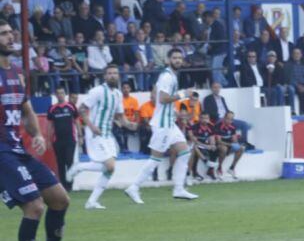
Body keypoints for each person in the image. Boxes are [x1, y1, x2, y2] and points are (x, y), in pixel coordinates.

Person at [1, 20, 80, 241]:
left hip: (16, 149)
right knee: (34, 206)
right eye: (3, 34)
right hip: (1, 152)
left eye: (11, 33)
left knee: (59, 199)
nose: (10, 37)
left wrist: (35, 134)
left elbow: (26, 110)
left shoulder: (14, 72)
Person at [125, 48, 200, 202]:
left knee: (185, 152)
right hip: (162, 125)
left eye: (180, 57)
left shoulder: (171, 76)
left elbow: (162, 100)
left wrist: (176, 113)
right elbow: (162, 99)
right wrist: (183, 94)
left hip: (169, 123)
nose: (178, 60)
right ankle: (134, 187)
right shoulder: (167, 76)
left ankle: (179, 189)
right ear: (168, 60)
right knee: (155, 159)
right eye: (175, 57)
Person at [69, 64, 139, 209]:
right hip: (95, 133)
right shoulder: (97, 91)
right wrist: (92, 126)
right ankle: (79, 167)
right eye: (110, 73)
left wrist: (130, 125)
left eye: (115, 73)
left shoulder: (118, 94)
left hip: (108, 134)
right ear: (105, 76)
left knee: (110, 169)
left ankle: (91, 202)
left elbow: (120, 117)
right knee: (110, 165)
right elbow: (82, 109)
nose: (113, 75)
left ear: (118, 76)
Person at [46, 84, 79, 190]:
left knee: (69, 162)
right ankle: (63, 186)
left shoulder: (71, 106)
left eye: (62, 93)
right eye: (58, 93)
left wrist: (81, 135)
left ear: (65, 94)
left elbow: (77, 121)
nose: (60, 95)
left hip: (70, 139)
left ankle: (70, 185)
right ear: (55, 95)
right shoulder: (52, 108)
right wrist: (48, 139)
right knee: (60, 163)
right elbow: (50, 125)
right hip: (57, 140)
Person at [189, 112, 219, 181]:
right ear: (199, 118)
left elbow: (212, 138)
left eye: (206, 118)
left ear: (209, 119)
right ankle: (194, 172)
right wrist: (206, 146)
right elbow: (194, 141)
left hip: (204, 145)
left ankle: (210, 171)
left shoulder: (211, 127)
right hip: (195, 145)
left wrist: (212, 145)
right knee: (195, 150)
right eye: (203, 118)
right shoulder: (194, 127)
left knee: (215, 149)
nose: (205, 120)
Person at [215, 111, 246, 179]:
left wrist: (236, 144)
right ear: (224, 118)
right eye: (228, 118)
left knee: (242, 148)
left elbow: (234, 139)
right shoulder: (218, 126)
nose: (229, 121)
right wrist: (231, 145)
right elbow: (219, 141)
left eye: (231, 119)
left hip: (229, 145)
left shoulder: (233, 126)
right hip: (219, 145)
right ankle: (219, 168)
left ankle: (232, 168)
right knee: (224, 148)